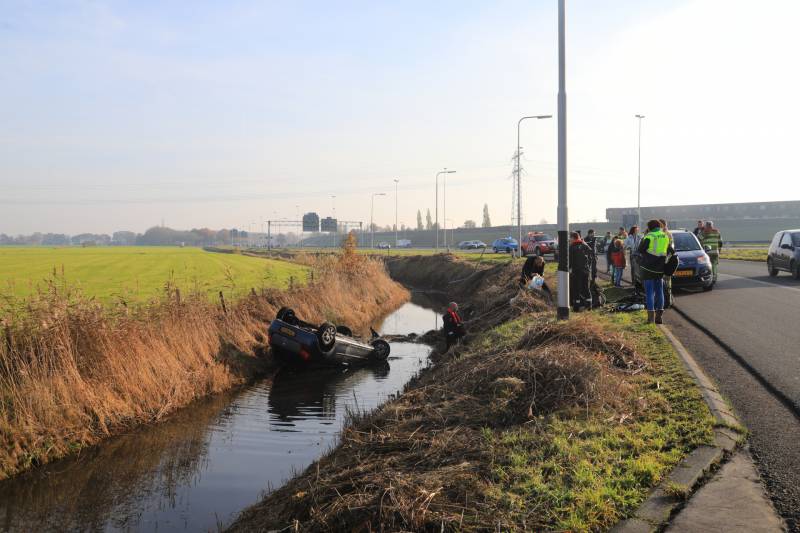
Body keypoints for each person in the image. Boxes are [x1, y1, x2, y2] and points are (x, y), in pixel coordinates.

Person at [637, 219, 675, 324]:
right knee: (659, 292)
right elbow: (670, 251)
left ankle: (650, 319)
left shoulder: (649, 236)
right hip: (660, 269)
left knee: (649, 293)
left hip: (648, 268)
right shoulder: (665, 236)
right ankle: (659, 317)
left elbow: (640, 250)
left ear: (650, 227)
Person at [569, 231, 593, 311]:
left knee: (576, 289)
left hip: (576, 271)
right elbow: (591, 255)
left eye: (570, 238)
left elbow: (570, 260)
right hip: (586, 271)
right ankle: (589, 306)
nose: (570, 239)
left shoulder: (572, 247)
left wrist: (569, 269)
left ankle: (576, 307)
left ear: (573, 238)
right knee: (586, 288)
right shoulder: (584, 245)